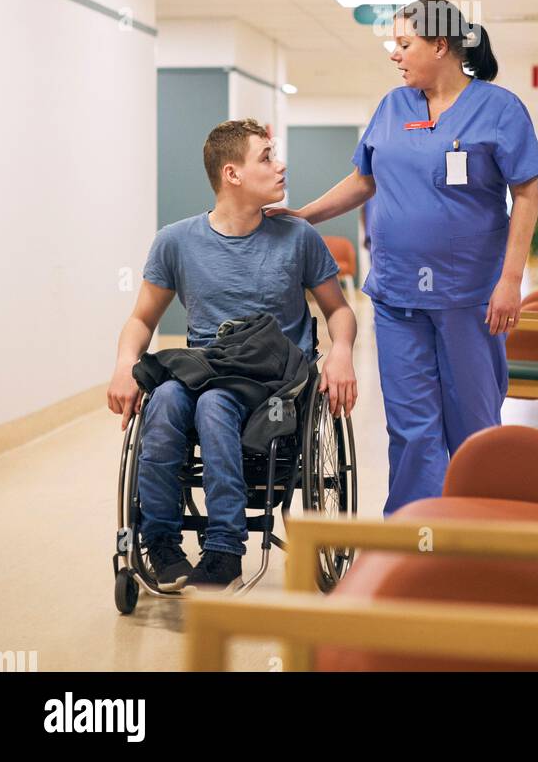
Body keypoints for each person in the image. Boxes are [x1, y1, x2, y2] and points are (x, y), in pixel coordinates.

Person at [269, 0, 538, 516]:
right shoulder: (393, 107)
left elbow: (526, 196)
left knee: (474, 423)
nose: (395, 55)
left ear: (440, 45)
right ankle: (413, 534)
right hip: (397, 295)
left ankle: (476, 529)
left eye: (404, 44)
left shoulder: (500, 108)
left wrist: (511, 281)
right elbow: (364, 180)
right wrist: (304, 216)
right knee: (411, 424)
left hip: (471, 297)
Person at [106, 118, 358, 593]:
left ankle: (224, 548)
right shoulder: (175, 242)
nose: (280, 166)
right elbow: (141, 320)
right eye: (266, 157)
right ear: (232, 174)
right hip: (208, 369)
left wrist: (341, 352)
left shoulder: (299, 237)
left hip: (278, 384)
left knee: (213, 405)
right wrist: (124, 366)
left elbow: (338, 310)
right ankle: (159, 543)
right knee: (163, 401)